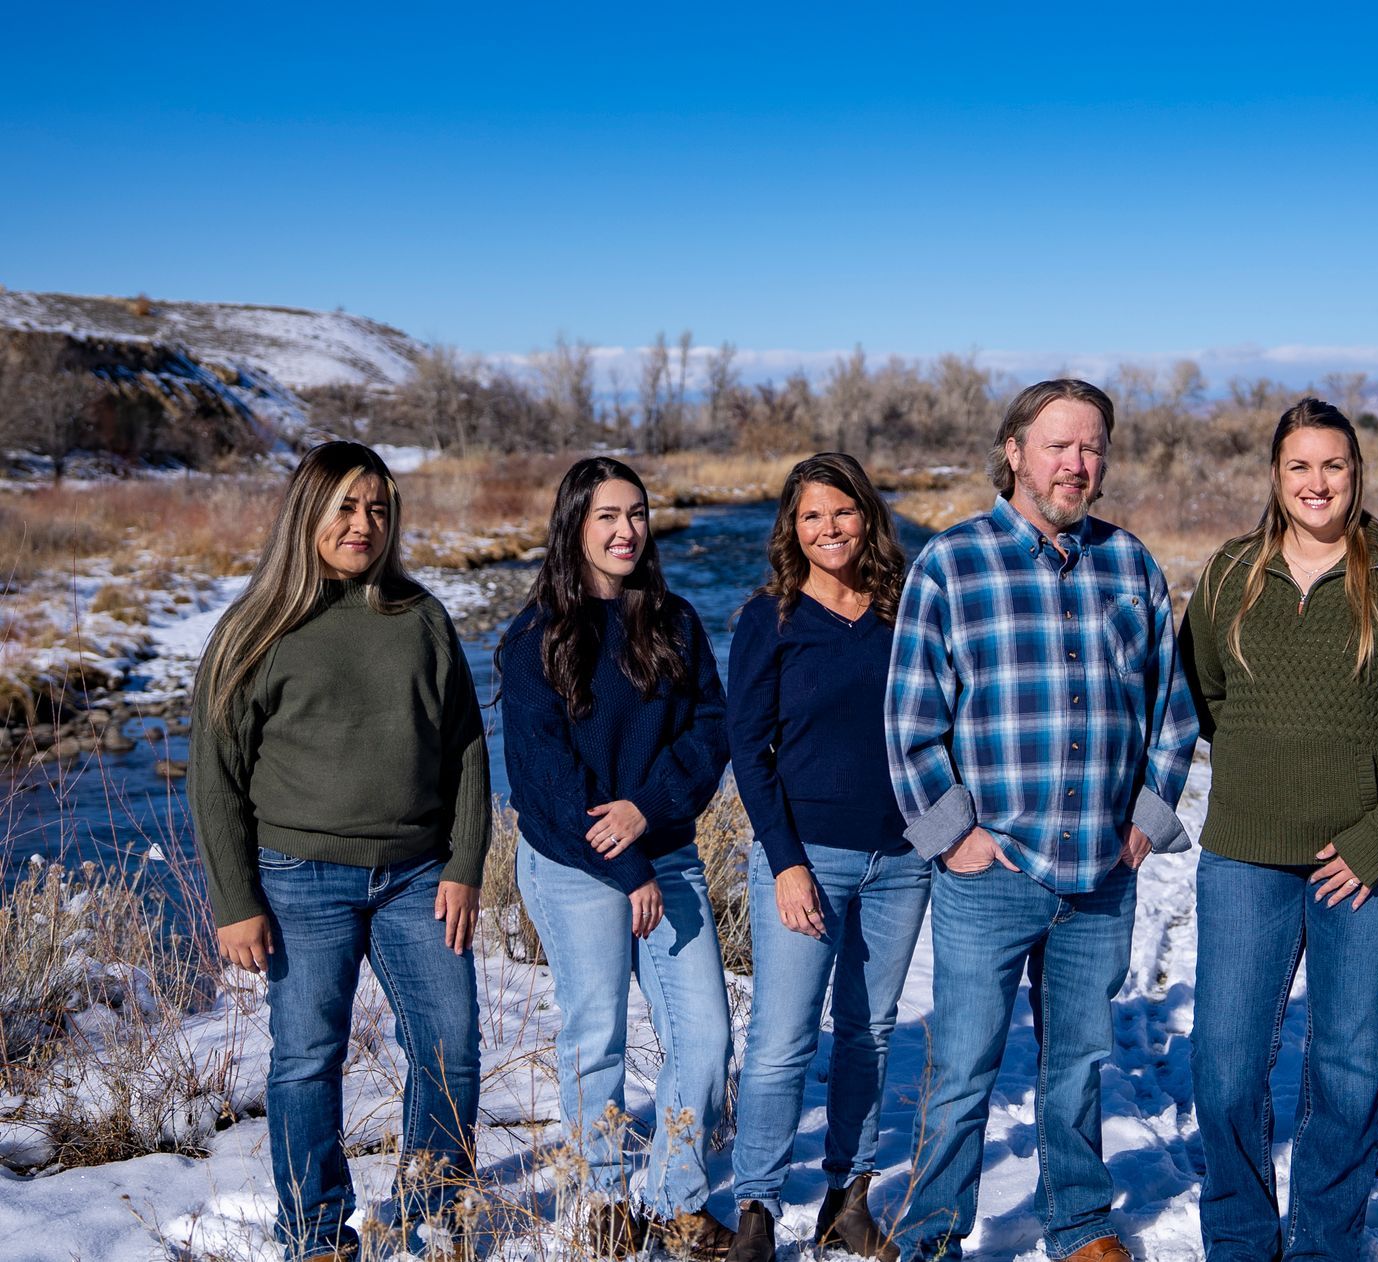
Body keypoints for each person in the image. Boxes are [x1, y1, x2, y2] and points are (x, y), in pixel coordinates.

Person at [885, 379, 1199, 1262]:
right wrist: (956, 837)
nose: (1077, 463)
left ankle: (1081, 1222)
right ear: (1015, 452)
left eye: (1092, 447)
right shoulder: (950, 564)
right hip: (994, 872)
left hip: (1100, 870)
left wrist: (1144, 820)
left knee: (1081, 1063)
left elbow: (1169, 711)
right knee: (962, 1069)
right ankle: (932, 1233)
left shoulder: (1130, 564)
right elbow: (912, 723)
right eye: (1058, 445)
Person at [1178, 398, 1378, 1262]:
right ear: (1276, 475)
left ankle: (1325, 1243)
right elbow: (1206, 695)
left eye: (1333, 465)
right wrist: (1267, 773)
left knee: (1343, 1067)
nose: (1317, 482)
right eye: (1299, 466)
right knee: (1226, 1063)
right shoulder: (1232, 574)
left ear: (1357, 475)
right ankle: (1238, 1236)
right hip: (1246, 853)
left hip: (1370, 862)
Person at [188, 441, 488, 1262]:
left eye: (379, 509)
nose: (365, 524)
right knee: (307, 1058)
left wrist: (465, 865)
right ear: (309, 513)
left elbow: (466, 747)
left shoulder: (421, 617)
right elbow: (214, 776)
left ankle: (432, 1213)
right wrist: (235, 901)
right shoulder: (255, 627)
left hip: (419, 876)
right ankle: (316, 1233)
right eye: (348, 507)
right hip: (299, 880)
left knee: (450, 1043)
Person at [498, 457, 733, 1261]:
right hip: (573, 866)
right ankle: (602, 1199)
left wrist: (647, 811)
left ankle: (674, 1198)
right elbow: (545, 779)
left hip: (664, 849)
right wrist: (625, 865)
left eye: (636, 513)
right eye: (607, 515)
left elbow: (710, 732)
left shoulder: (675, 620)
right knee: (595, 1034)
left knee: (705, 1039)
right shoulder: (534, 637)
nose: (626, 529)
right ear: (574, 526)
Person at [725, 453, 928, 1262]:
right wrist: (785, 861)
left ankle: (849, 1199)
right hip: (806, 856)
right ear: (792, 529)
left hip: (903, 859)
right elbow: (748, 747)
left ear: (867, 517)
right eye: (811, 516)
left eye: (842, 513)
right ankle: (757, 1210)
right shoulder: (768, 618)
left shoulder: (902, 609)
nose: (829, 529)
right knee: (781, 1037)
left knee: (868, 1033)